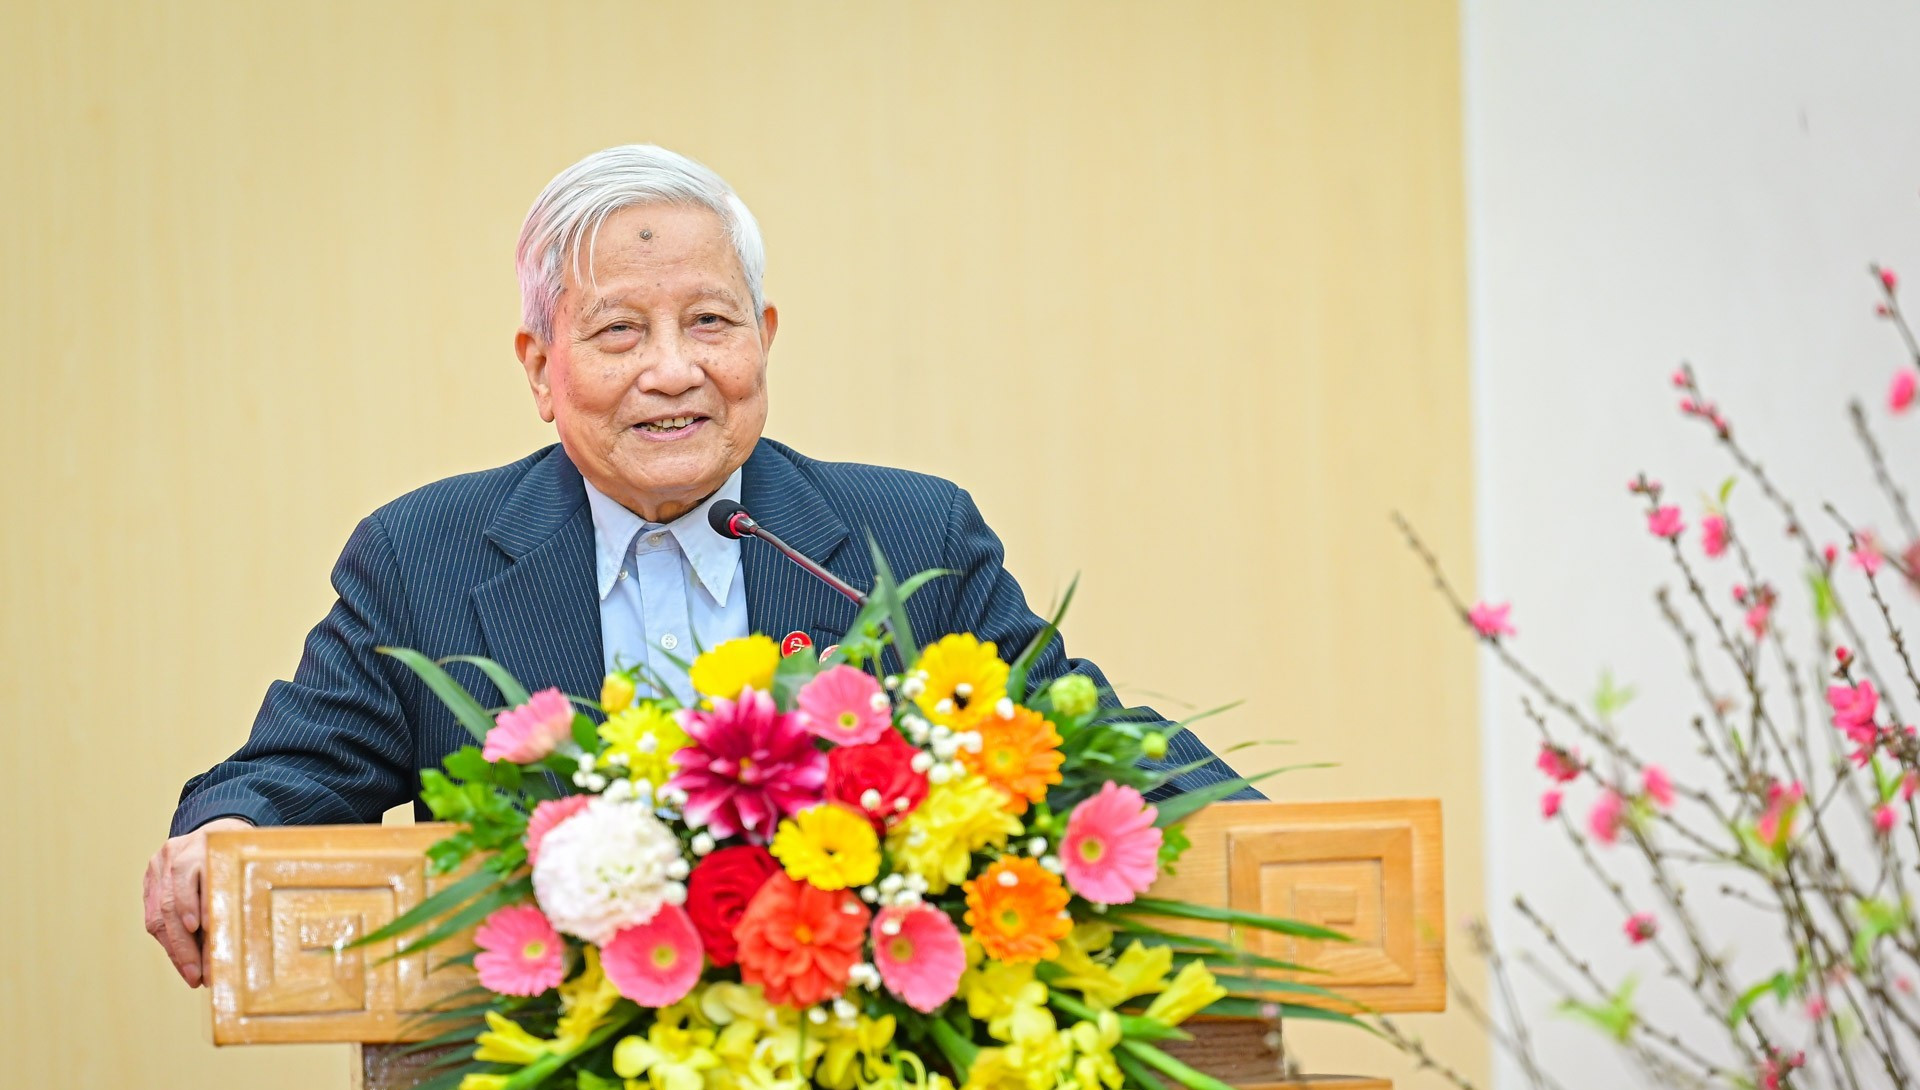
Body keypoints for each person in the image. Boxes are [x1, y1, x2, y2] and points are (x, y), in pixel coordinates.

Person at [142, 144, 1252, 988]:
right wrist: (223, 837)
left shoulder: (906, 540)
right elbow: (287, 778)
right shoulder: (423, 557)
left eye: (710, 321)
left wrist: (1255, 842)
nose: (673, 371)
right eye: (620, 332)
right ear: (541, 366)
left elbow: (1077, 740)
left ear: (763, 336)